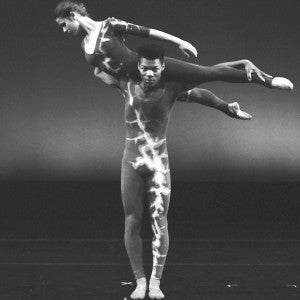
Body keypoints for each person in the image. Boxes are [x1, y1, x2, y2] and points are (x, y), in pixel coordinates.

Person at [109, 43, 252, 299]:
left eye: (154, 69)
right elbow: (98, 67)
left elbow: (204, 86)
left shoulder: (171, 88)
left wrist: (227, 107)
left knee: (159, 221)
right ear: (138, 67)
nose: (149, 74)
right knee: (132, 220)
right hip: (131, 163)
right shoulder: (125, 83)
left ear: (163, 67)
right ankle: (140, 281)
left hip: (158, 164)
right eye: (144, 69)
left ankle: (156, 282)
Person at [54, 1, 294, 91]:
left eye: (64, 24)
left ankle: (267, 80)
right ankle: (240, 72)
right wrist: (115, 81)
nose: (64, 31)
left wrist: (180, 41)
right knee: (194, 94)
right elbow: (99, 68)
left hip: (153, 68)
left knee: (207, 74)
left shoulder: (109, 25)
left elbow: (147, 32)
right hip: (140, 86)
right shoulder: (85, 44)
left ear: (74, 15)